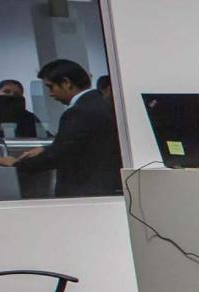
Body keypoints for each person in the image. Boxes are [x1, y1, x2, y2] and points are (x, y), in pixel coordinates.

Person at [10, 58, 121, 196]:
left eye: (51, 87)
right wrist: (46, 148)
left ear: (66, 83)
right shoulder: (103, 105)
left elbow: (60, 155)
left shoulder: (79, 111)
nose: (50, 93)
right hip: (106, 187)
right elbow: (83, 143)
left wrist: (15, 164)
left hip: (83, 190)